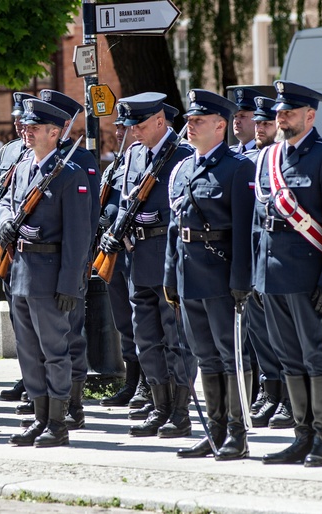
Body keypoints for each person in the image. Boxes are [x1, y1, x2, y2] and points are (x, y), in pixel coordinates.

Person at [252, 81, 322, 467]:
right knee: (288, 359)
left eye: (289, 112)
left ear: (310, 116)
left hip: (309, 277)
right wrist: (255, 276)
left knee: (314, 355)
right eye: (279, 112)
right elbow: (259, 223)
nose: (281, 118)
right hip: (272, 275)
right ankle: (301, 435)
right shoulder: (267, 158)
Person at [163, 89, 255, 460]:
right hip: (189, 275)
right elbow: (175, 226)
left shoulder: (238, 168)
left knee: (230, 354)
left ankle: (237, 431)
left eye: (198, 120)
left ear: (220, 126)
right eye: (189, 120)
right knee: (205, 357)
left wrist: (240, 280)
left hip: (221, 275)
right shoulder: (183, 167)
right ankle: (214, 431)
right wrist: (170, 276)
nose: (190, 125)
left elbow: (247, 230)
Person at [100, 93, 196, 441]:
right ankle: (159, 407)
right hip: (136, 258)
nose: (134, 132)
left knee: (176, 340)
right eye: (131, 126)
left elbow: (182, 210)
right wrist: (114, 233)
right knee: (146, 339)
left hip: (169, 259)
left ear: (160, 121)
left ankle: (180, 413)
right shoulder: (134, 155)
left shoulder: (183, 156)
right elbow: (126, 200)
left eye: (140, 125)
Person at [0, 98, 91, 447]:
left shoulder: (70, 174)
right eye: (27, 126)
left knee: (54, 351)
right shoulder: (22, 168)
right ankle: (38, 417)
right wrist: (6, 222)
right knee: (27, 350)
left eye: (35, 128)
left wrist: (70, 283)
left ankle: (57, 421)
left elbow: (79, 235)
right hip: (20, 271)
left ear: (55, 132)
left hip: (51, 274)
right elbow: (5, 202)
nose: (27, 131)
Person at [38, 89, 101, 430]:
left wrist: (76, 268)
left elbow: (86, 219)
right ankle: (47, 403)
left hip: (68, 262)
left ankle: (73, 403)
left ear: (62, 125)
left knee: (70, 335)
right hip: (36, 267)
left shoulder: (81, 162)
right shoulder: (32, 158)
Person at [243, 97, 294, 430]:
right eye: (257, 124)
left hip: (288, 261)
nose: (260, 129)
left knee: (287, 337)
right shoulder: (250, 161)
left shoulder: (280, 161)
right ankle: (270, 391)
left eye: (266, 124)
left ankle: (289, 399)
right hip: (257, 258)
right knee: (260, 333)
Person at [98, 104, 142, 409]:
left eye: (124, 127)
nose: (118, 132)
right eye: (118, 126)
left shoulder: (145, 166)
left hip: (136, 251)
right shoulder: (116, 166)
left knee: (144, 325)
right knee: (125, 324)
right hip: (112, 253)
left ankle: (151, 386)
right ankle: (132, 381)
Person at [0, 92, 34, 404]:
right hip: (9, 244)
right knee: (17, 315)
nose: (19, 125)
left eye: (24, 119)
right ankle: (28, 376)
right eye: (17, 120)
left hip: (35, 245)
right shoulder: (8, 151)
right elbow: (0, 195)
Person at [228, 87, 260, 154]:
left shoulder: (264, 154)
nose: (236, 121)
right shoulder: (229, 153)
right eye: (235, 116)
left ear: (257, 120)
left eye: (242, 116)